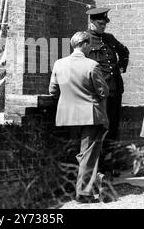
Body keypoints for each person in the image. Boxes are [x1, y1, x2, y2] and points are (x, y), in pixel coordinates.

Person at [49, 31, 110, 203]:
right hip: (90, 115)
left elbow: (53, 91)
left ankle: (92, 180)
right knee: (88, 154)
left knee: (80, 154)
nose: (91, 47)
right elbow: (103, 91)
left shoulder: (59, 64)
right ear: (83, 44)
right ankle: (84, 192)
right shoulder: (92, 65)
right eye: (89, 44)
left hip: (67, 116)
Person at [84, 8, 129, 177]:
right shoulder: (85, 40)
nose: (103, 26)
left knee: (113, 129)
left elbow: (124, 51)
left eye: (104, 24)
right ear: (92, 23)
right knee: (99, 129)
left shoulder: (109, 39)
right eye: (100, 24)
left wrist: (121, 67)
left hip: (115, 90)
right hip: (98, 93)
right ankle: (99, 168)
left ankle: (109, 166)